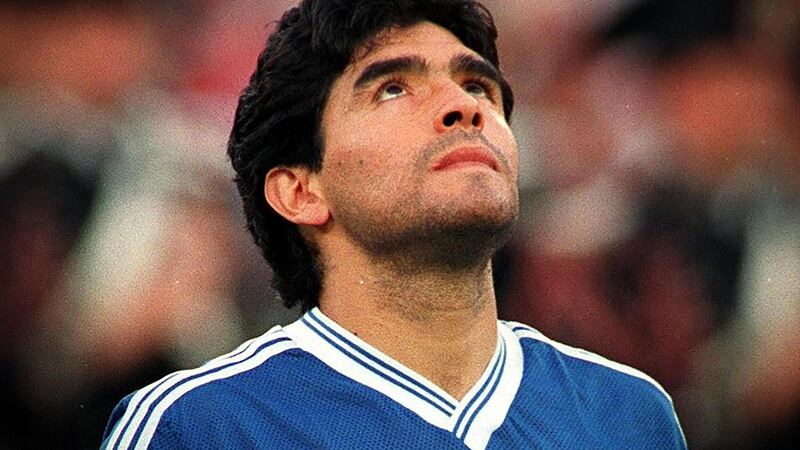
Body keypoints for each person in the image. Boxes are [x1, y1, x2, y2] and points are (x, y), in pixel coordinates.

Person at [100, 0, 687, 448]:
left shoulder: (630, 414)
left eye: (477, 84)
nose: (465, 106)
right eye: (393, 89)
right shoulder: (199, 426)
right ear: (301, 191)